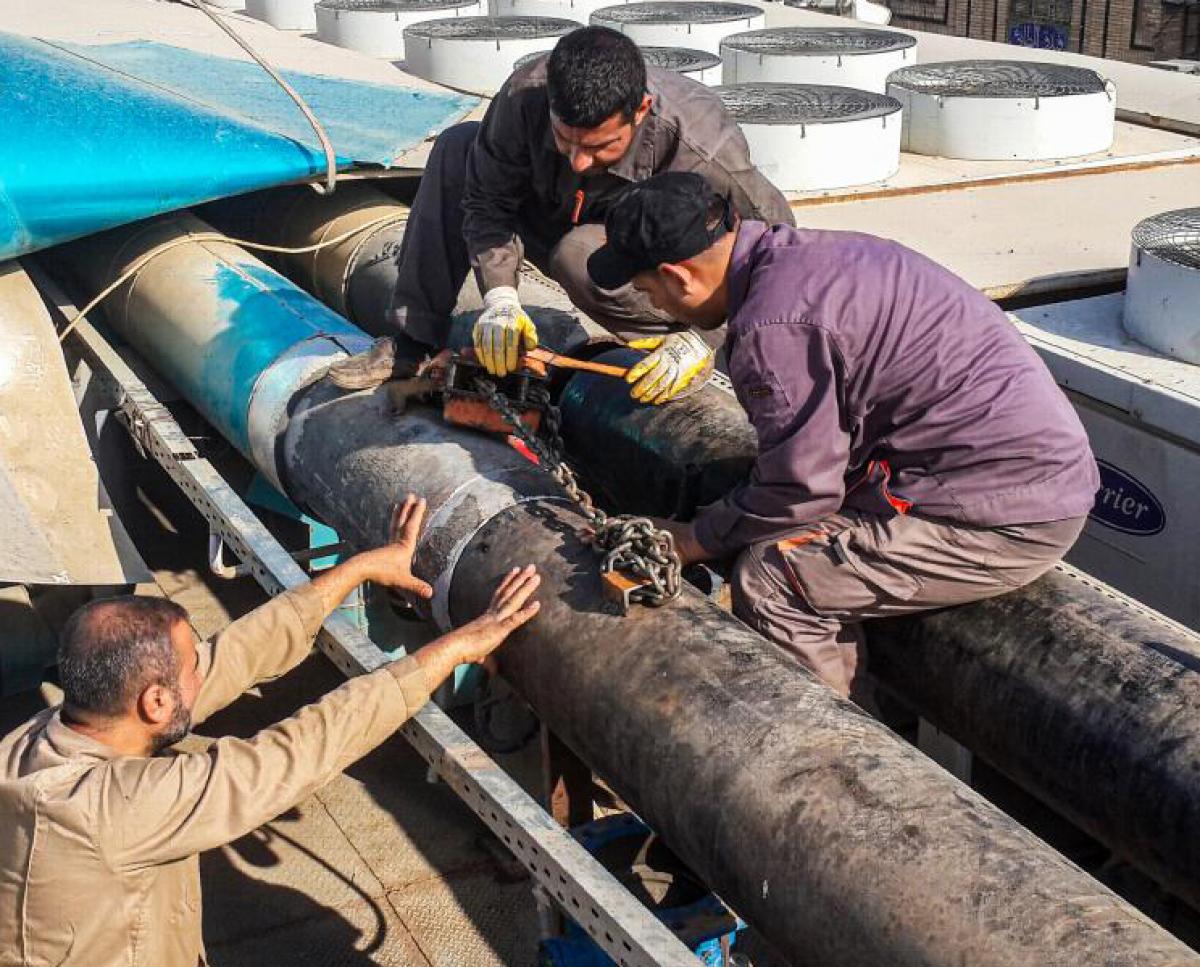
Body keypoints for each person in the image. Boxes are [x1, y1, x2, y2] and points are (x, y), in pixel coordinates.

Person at [587, 172, 1099, 699]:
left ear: (678, 277)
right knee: (761, 518)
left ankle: (842, 746)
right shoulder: (808, 255)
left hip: (1005, 516)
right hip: (1021, 473)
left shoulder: (773, 330)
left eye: (649, 292)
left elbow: (799, 490)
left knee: (774, 581)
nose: (658, 308)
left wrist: (691, 538)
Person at [0, 495, 540, 967]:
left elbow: (230, 657)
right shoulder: (115, 811)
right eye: (191, 666)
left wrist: (359, 570)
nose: (202, 670)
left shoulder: (48, 735)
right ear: (155, 702)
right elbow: (301, 748)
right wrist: (453, 649)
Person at [329, 25, 793, 405]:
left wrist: (707, 336)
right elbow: (487, 203)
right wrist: (500, 298)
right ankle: (412, 342)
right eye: (565, 140)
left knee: (578, 255)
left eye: (600, 146)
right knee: (457, 148)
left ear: (641, 111)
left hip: (625, 256)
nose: (579, 161)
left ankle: (672, 347)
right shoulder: (524, 96)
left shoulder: (699, 142)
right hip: (550, 214)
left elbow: (776, 242)